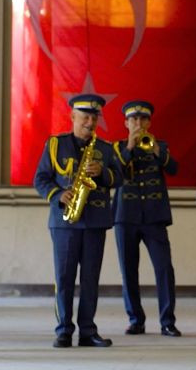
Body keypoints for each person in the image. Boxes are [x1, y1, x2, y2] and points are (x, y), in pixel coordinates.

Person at [34, 93, 122, 349]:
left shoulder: (105, 149)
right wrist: (59, 194)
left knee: (90, 279)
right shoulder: (55, 145)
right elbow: (40, 180)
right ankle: (63, 330)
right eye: (85, 117)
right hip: (65, 221)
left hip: (95, 220)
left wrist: (103, 173)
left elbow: (119, 179)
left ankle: (87, 331)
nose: (90, 122)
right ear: (72, 116)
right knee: (64, 278)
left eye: (94, 118)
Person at [113, 100, 180, 336]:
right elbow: (114, 174)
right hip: (126, 216)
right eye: (133, 120)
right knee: (128, 270)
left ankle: (167, 321)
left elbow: (173, 168)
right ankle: (135, 319)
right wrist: (129, 148)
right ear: (126, 123)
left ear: (149, 122)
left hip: (154, 216)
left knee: (164, 269)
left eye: (142, 120)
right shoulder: (118, 148)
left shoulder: (159, 146)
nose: (138, 123)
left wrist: (157, 152)